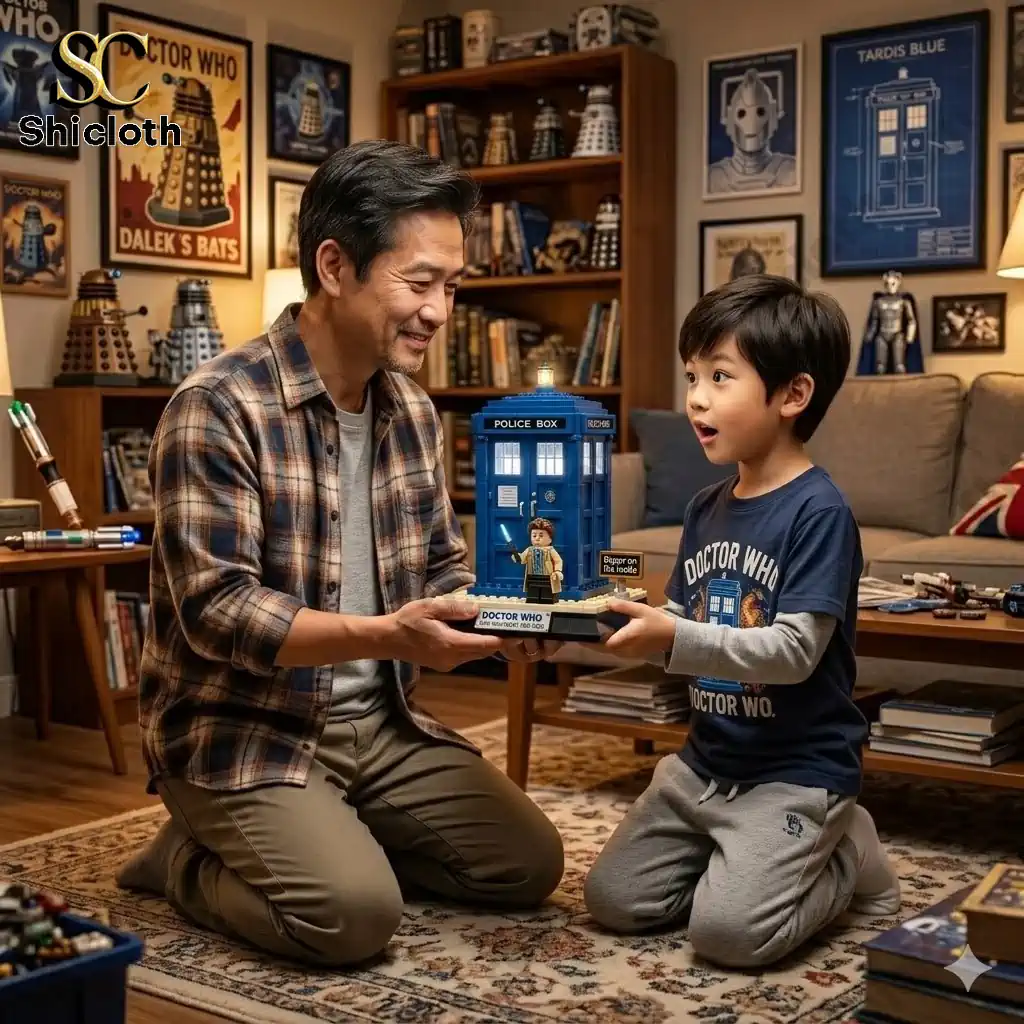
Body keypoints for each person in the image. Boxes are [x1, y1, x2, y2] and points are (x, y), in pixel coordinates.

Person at [115, 140, 565, 967]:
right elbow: (219, 613)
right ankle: (181, 859)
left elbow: (439, 570)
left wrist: (517, 618)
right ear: (334, 264)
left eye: (452, 287)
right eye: (420, 282)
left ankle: (328, 838)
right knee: (354, 920)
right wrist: (389, 634)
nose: (439, 310)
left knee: (528, 864)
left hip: (383, 724)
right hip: (244, 731)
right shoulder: (217, 406)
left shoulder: (415, 413)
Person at [583, 275, 901, 968]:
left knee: (728, 937)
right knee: (614, 901)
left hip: (795, 770)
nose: (696, 396)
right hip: (705, 765)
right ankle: (745, 860)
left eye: (720, 377)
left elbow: (794, 652)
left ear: (792, 395)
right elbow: (683, 618)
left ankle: (847, 850)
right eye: (692, 375)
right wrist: (621, 623)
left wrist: (671, 634)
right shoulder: (704, 508)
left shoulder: (819, 513)